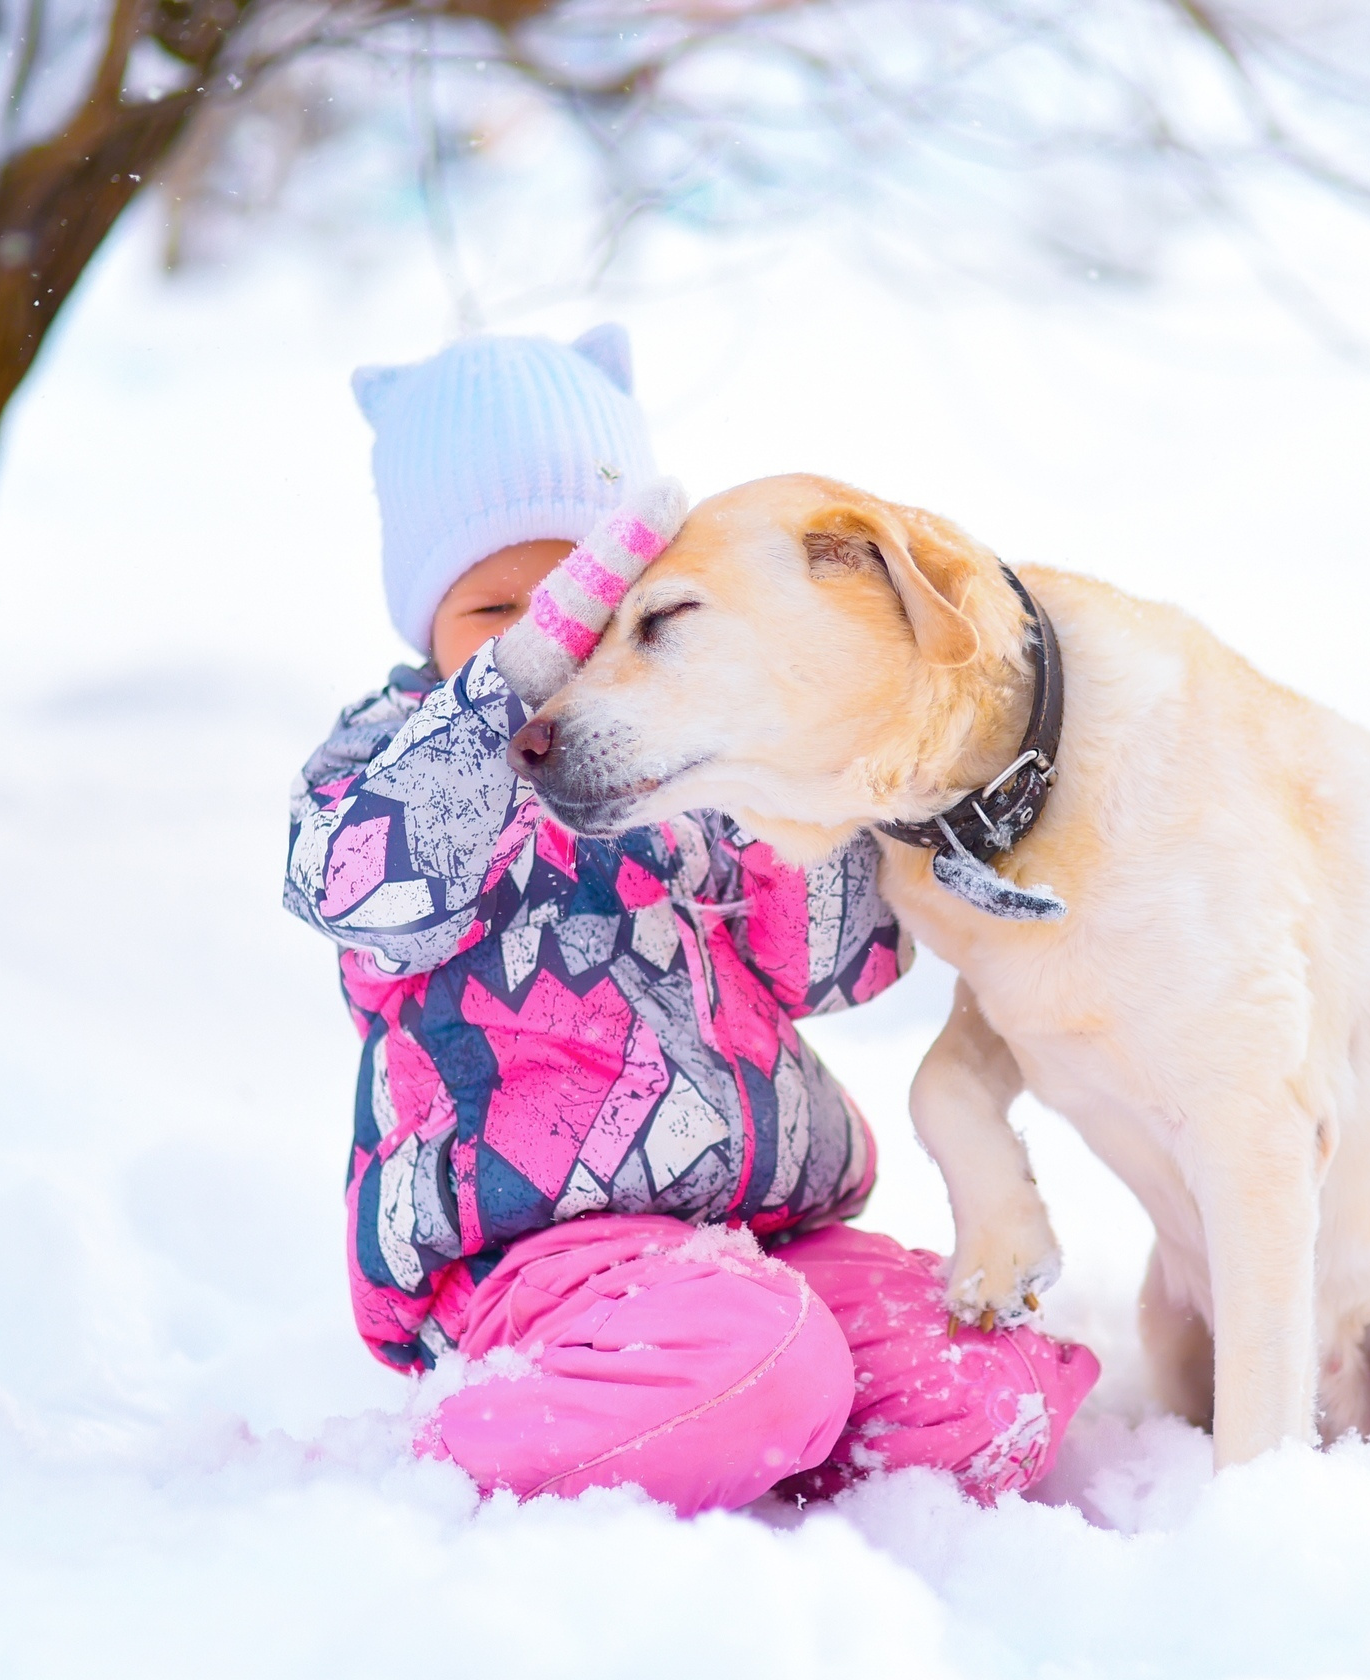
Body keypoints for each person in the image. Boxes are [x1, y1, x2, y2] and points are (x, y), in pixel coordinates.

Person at [283, 326, 1098, 1515]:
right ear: (426, 628)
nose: (557, 641)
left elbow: (834, 964)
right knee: (761, 1353)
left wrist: (796, 767)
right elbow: (358, 890)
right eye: (500, 612)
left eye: (593, 603)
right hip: (538, 1262)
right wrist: (502, 694)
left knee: (984, 1381)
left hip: (760, 1237)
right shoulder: (396, 762)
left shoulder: (691, 749)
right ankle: (466, 1454)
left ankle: (748, 1423)